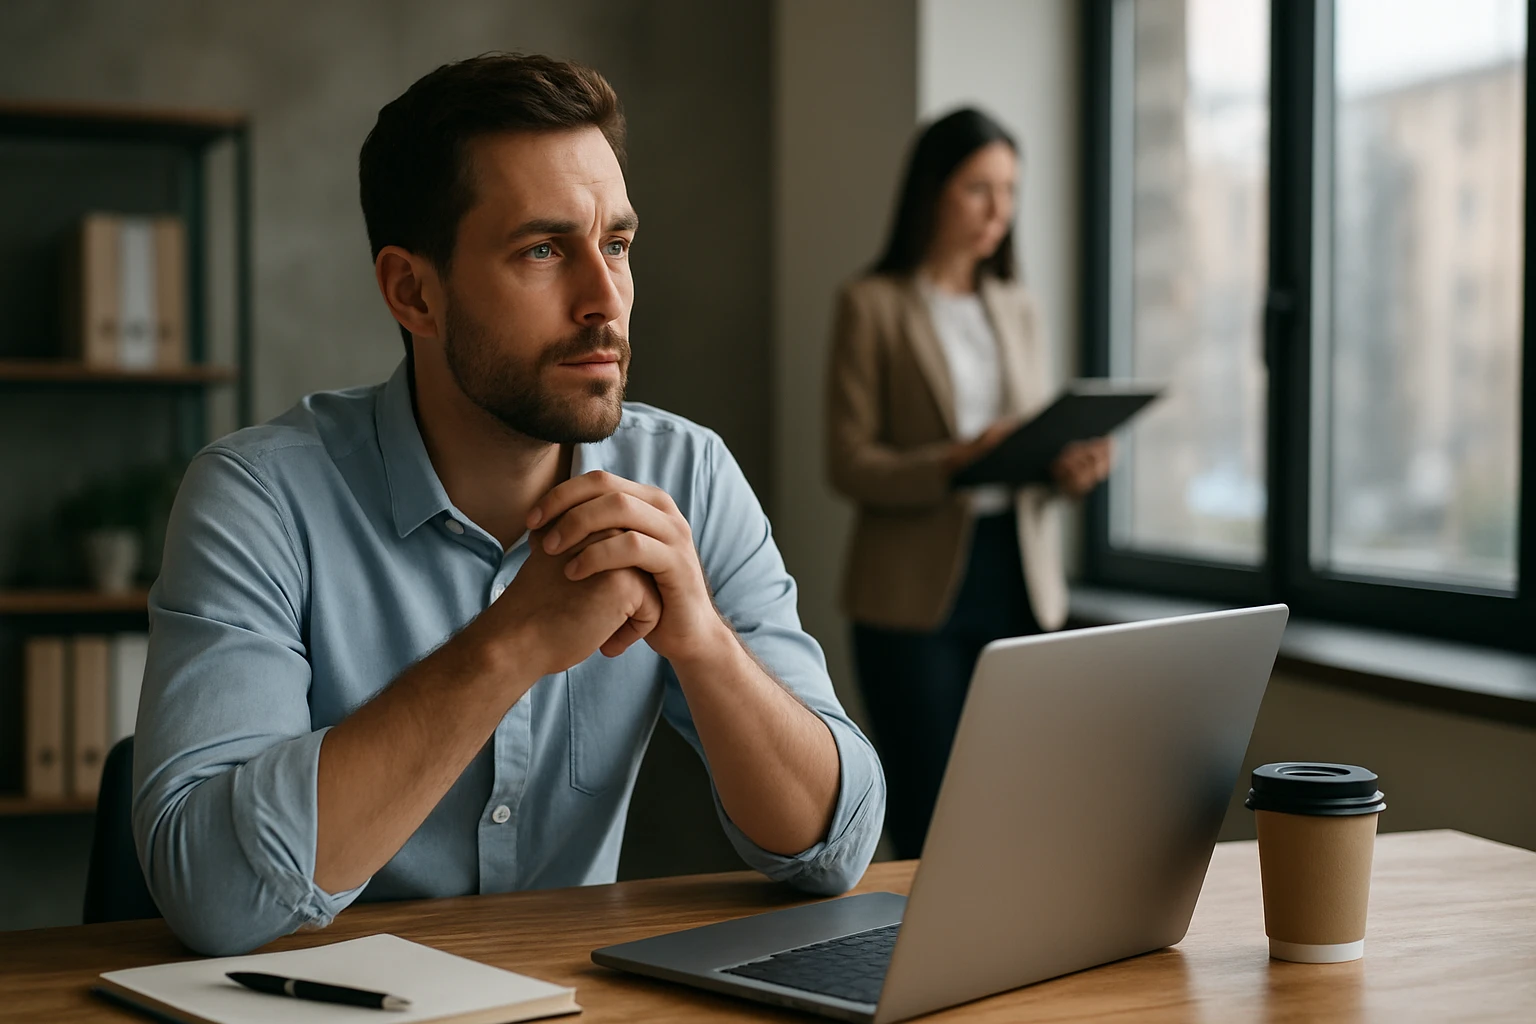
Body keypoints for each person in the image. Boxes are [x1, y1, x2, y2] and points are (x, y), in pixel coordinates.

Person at [132, 53, 884, 956]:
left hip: (581, 1002)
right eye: (543, 250)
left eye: (616, 245)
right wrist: (513, 641)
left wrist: (704, 642)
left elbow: (835, 848)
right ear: (414, 292)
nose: (605, 301)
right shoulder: (258, 498)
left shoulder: (689, 477)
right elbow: (211, 893)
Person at [826, 108, 1110, 860]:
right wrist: (956, 461)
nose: (998, 211)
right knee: (929, 810)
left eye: (1010, 191)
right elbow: (849, 463)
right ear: (933, 191)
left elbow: (1031, 445)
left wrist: (1065, 471)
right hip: (913, 593)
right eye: (979, 188)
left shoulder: (1018, 305)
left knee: (1015, 803)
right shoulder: (871, 304)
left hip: (1018, 577)